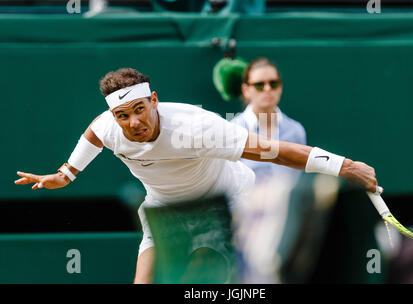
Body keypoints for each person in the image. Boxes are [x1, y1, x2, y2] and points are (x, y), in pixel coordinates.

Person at [14, 68, 380, 284]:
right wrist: (63, 175)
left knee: (201, 276)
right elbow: (87, 144)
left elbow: (277, 151)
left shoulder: (199, 127)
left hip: (222, 204)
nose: (133, 122)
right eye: (123, 115)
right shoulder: (106, 127)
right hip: (162, 210)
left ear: (154, 100)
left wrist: (346, 167)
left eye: (140, 110)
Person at [231, 57, 306, 184]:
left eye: (273, 83)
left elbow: (297, 181)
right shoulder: (233, 130)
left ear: (280, 86)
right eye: (259, 85)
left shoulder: (295, 131)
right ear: (246, 90)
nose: (267, 89)